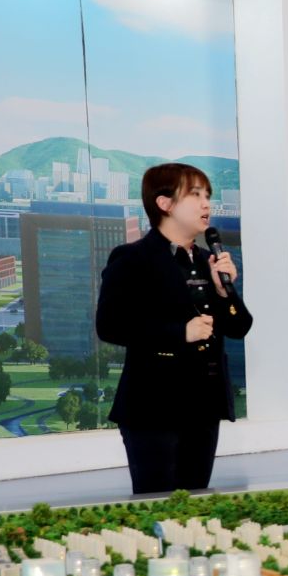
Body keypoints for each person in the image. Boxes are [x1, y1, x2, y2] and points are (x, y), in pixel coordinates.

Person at [95, 162, 252, 495]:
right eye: (195, 195)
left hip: (204, 405)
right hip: (153, 406)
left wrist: (225, 291)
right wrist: (180, 333)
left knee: (194, 502)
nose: (206, 204)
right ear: (164, 203)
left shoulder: (208, 261)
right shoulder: (132, 258)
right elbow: (109, 326)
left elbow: (239, 326)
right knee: (158, 502)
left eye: (207, 195)